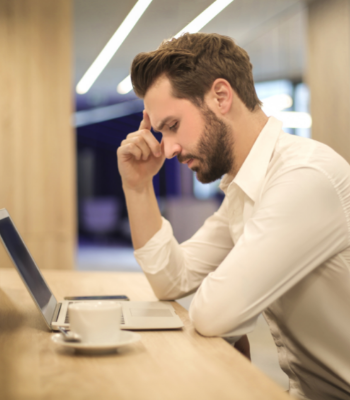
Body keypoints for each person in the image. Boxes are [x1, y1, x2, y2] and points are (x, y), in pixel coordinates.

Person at [116, 32, 350, 400]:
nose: (169, 148)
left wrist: (228, 309)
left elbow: (214, 314)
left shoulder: (304, 177)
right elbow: (171, 279)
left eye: (173, 126)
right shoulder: (245, 189)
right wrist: (137, 187)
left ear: (220, 97)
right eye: (161, 132)